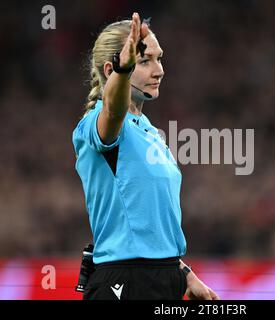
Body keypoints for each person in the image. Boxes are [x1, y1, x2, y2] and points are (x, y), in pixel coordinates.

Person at [72, 12, 219, 300]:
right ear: (110, 69)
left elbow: (147, 221)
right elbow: (114, 110)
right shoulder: (97, 123)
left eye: (159, 58)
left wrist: (183, 273)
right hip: (124, 281)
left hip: (165, 279)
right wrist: (123, 71)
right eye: (144, 61)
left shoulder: (150, 132)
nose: (159, 70)